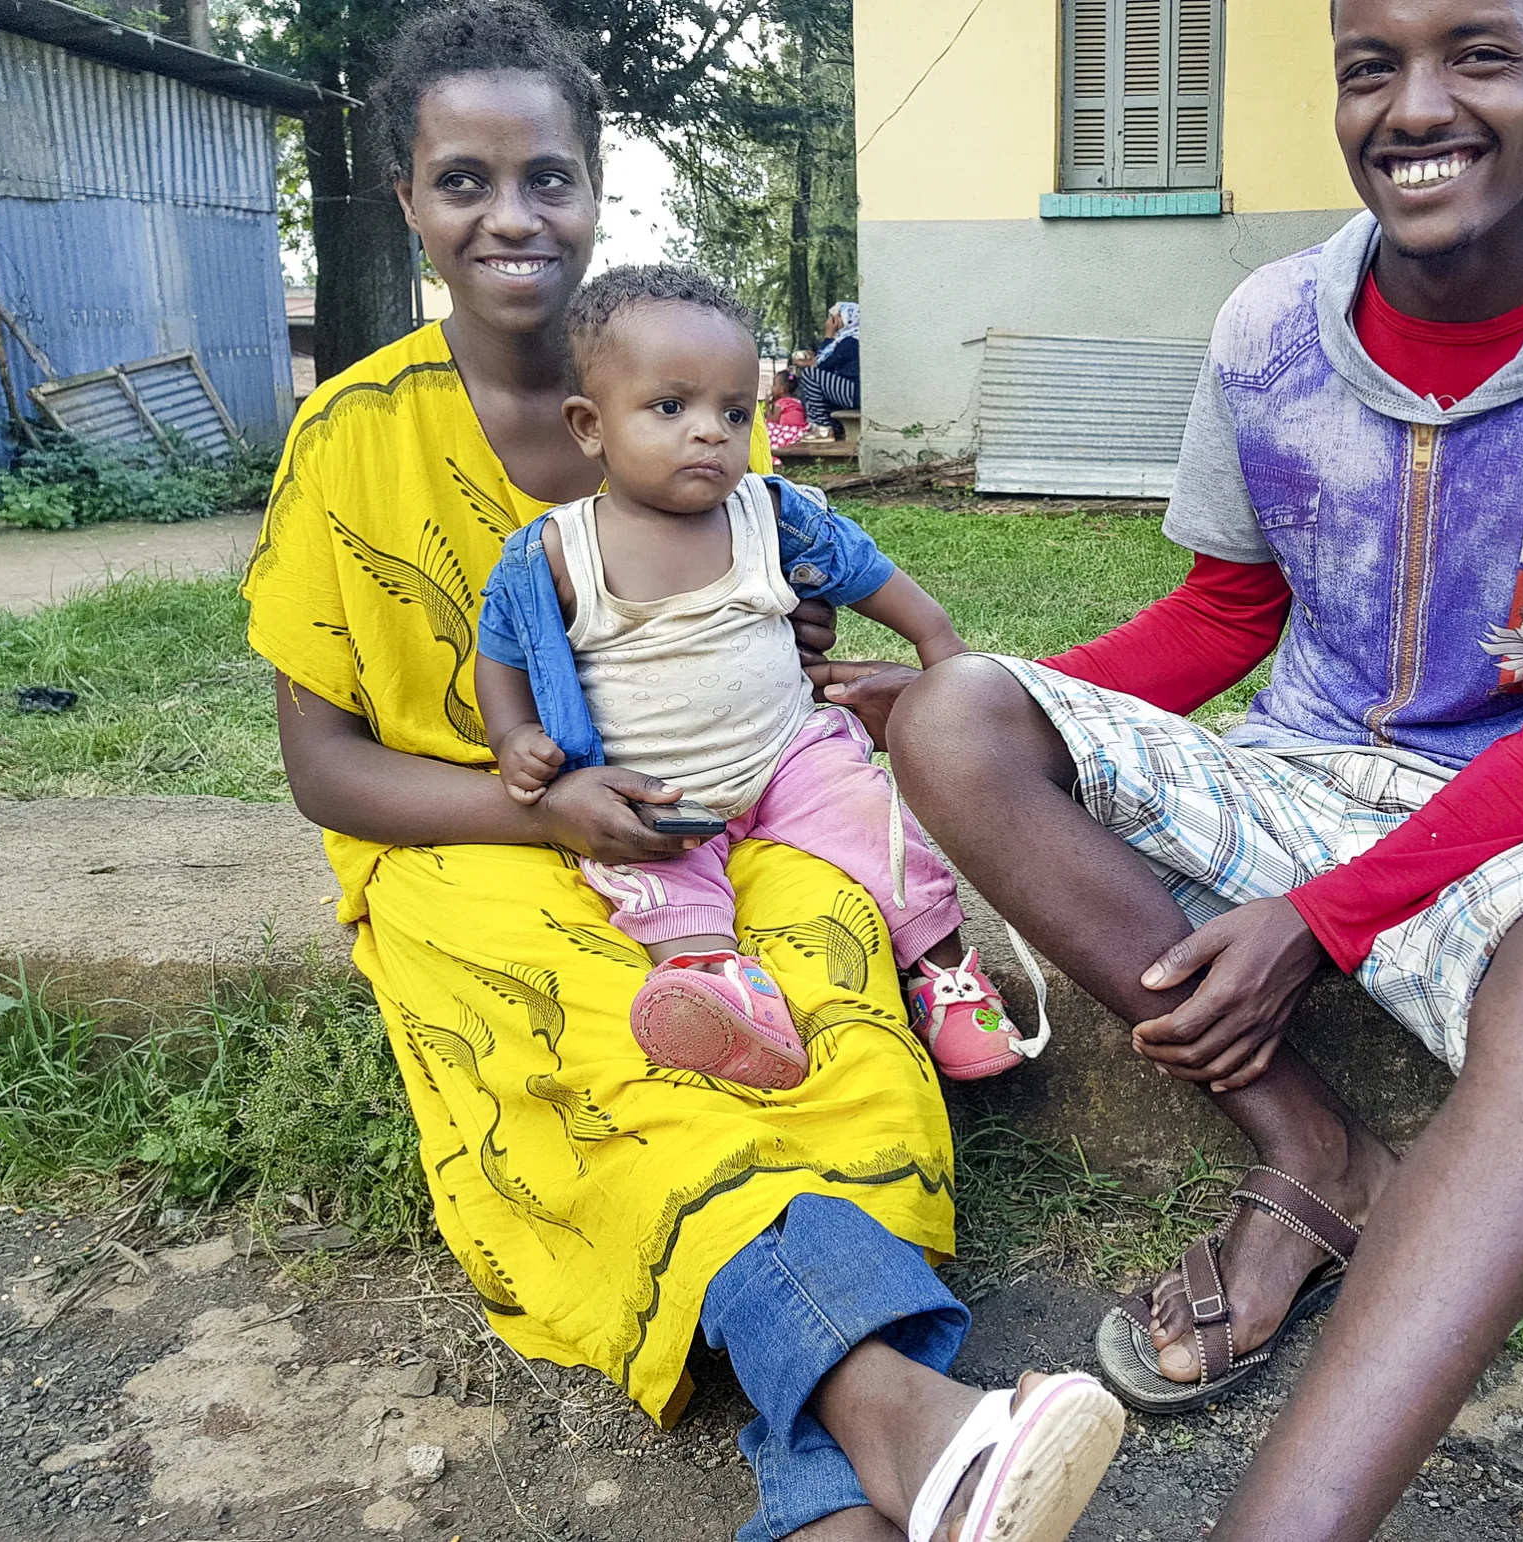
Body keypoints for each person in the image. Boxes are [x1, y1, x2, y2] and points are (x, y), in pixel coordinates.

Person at [823, 0, 1523, 1535]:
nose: (1418, 106)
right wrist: (961, 702)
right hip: (1293, 769)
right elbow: (1225, 615)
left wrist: (1322, 920)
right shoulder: (1271, 326)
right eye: (1371, 65)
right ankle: (1311, 1147)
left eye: (1478, 54)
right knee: (955, 710)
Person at [239, 4, 1124, 1539]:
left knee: (827, 976)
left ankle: (834, 1488)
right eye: (463, 180)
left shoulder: (703, 421)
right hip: (466, 838)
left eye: (548, 178)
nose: (510, 215)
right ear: (406, 202)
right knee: (609, 1043)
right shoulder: (353, 436)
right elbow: (324, 766)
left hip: (723, 808)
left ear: (593, 192)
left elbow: (789, 622)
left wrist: (849, 681)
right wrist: (548, 801)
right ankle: (901, 1418)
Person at [475, 263, 1034, 1088]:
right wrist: (513, 732)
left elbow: (867, 571)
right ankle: (727, 998)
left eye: (734, 412)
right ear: (590, 424)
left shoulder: (768, 515)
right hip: (658, 793)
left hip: (788, 756)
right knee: (664, 894)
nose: (711, 432)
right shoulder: (555, 554)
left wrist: (939, 647)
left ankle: (947, 979)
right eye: (671, 408)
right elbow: (503, 653)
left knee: (881, 835)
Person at [793, 301, 860, 437]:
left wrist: (828, 335)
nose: (830, 321)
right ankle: (829, 427)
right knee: (816, 381)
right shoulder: (847, 339)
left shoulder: (851, 341)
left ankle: (823, 428)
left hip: (854, 392)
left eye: (835, 317)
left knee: (810, 375)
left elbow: (822, 366)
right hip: (850, 391)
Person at [768, 367, 810, 452]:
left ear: (782, 389)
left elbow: (773, 420)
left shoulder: (780, 403)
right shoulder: (797, 401)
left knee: (767, 426)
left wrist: (766, 404)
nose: (772, 388)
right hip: (799, 431)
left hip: (786, 430)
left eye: (774, 385)